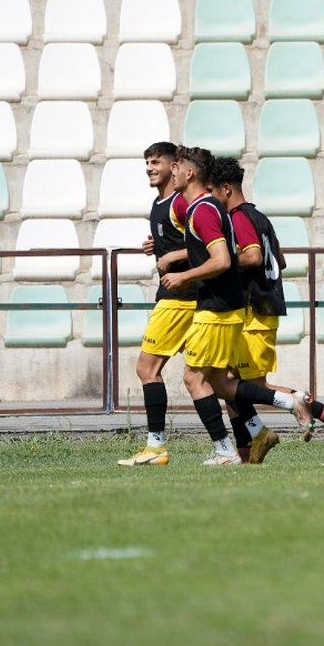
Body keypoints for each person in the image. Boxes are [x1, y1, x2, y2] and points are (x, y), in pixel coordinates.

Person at [158, 146, 314, 465]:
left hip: (216, 308)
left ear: (190, 173)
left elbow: (222, 260)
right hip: (229, 308)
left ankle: (225, 450)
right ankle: (285, 404)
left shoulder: (203, 209)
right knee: (222, 383)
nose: (170, 172)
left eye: (177, 167)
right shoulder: (213, 208)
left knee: (194, 379)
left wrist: (184, 276)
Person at [207, 157, 324, 461]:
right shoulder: (259, 217)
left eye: (213, 193)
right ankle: (248, 449)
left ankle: (323, 411)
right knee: (233, 386)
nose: (211, 201)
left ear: (226, 189)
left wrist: (224, 262)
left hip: (255, 312)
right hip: (262, 308)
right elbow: (280, 261)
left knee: (242, 387)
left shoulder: (238, 218)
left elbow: (255, 257)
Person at [118, 142, 194, 466]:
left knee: (147, 369)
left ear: (173, 165)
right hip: (188, 299)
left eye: (156, 162)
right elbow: (180, 239)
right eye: (146, 162)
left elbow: (208, 242)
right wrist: (158, 246)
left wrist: (173, 256)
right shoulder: (159, 203)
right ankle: (248, 436)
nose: (149, 167)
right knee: (211, 379)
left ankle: (156, 446)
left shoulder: (180, 202)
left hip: (179, 299)